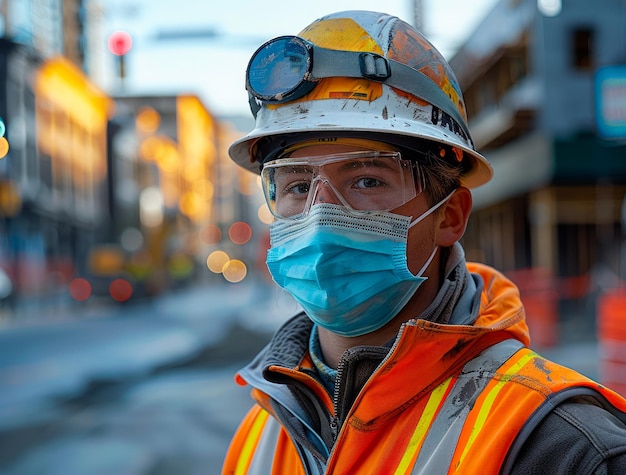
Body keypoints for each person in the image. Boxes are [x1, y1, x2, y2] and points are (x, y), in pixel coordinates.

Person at [222, 10, 626, 474]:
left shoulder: (561, 448)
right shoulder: (260, 433)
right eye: (296, 186)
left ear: (450, 216)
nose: (320, 214)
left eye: (367, 180)